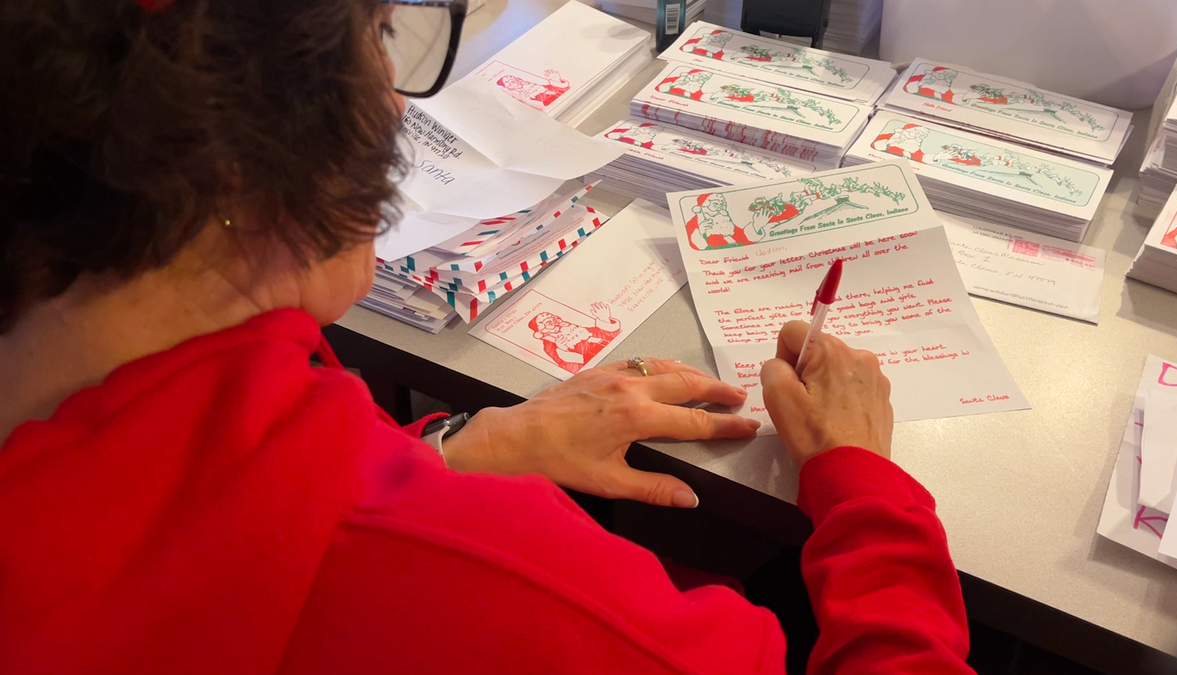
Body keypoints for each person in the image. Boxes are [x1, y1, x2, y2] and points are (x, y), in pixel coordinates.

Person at [0, 1, 972, 673]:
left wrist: (451, 454)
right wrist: (866, 491)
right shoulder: (501, 597)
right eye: (379, 33)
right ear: (229, 136)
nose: (390, 98)